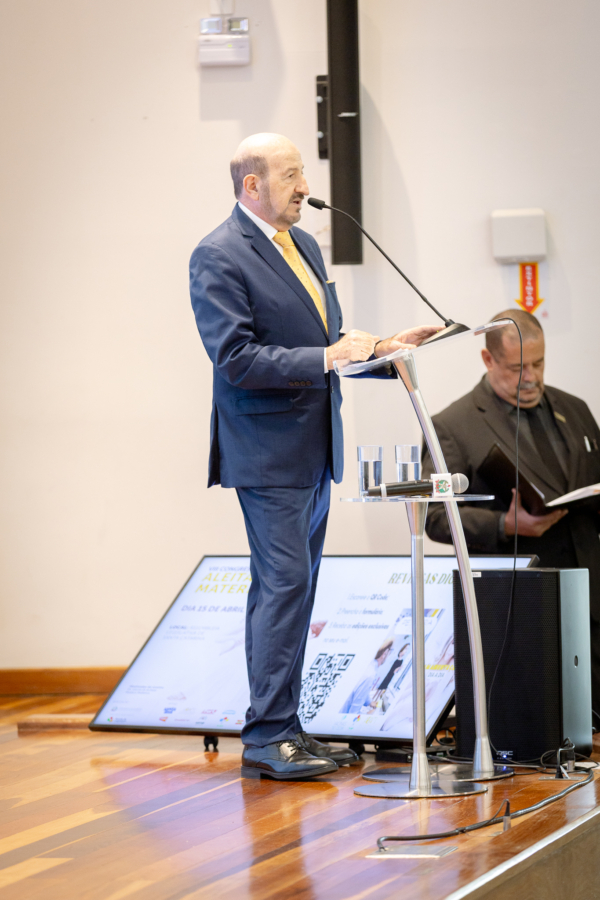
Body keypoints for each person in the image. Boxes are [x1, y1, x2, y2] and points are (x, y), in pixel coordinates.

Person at [189, 132, 439, 780]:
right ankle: (267, 737)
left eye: (302, 173)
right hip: (267, 453)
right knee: (284, 586)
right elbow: (235, 358)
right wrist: (330, 355)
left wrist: (382, 348)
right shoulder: (218, 255)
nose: (305, 187)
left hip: (314, 447)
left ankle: (288, 727)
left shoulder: (300, 244)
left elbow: (324, 343)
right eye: (291, 175)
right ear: (252, 185)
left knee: (296, 589)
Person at [422, 309, 600, 715]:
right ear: (488, 360)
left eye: (539, 364)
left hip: (590, 599)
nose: (532, 378)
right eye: (518, 368)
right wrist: (504, 524)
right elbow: (435, 516)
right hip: (521, 610)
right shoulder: (452, 426)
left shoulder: (575, 409)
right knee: (539, 726)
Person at [339, 639, 394, 715]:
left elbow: (359, 690)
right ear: (385, 653)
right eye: (391, 651)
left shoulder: (369, 667)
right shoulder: (369, 676)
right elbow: (353, 714)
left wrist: (369, 702)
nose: (390, 654)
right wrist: (370, 713)